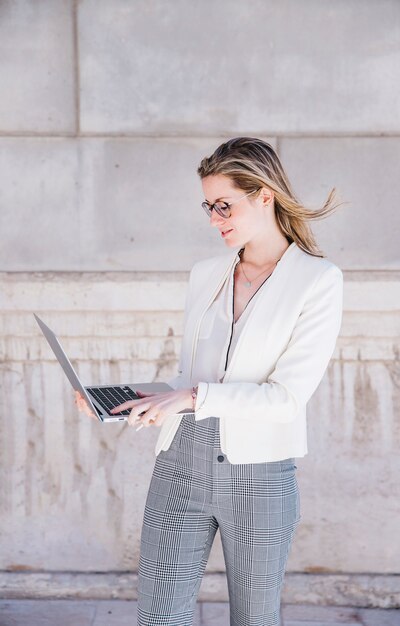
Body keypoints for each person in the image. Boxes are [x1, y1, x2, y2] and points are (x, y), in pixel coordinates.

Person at [76, 136, 344, 626]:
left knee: (255, 620)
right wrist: (125, 397)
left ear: (265, 195)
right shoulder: (206, 273)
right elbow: (189, 382)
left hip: (259, 479)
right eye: (208, 206)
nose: (214, 219)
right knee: (159, 618)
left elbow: (285, 398)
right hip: (179, 469)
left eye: (225, 206)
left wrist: (192, 397)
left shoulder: (317, 281)